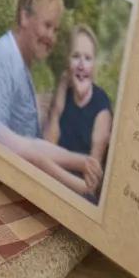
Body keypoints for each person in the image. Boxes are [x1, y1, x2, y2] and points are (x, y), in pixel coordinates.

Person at [0, 0, 103, 197]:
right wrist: (79, 185)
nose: (51, 37)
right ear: (24, 17)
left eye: (55, 29)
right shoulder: (6, 56)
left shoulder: (19, 62)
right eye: (47, 25)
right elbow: (21, 148)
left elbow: (32, 144)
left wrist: (83, 162)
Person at [44, 23, 113, 202]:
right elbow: (46, 147)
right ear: (68, 61)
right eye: (76, 57)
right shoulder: (63, 94)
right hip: (51, 187)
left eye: (88, 58)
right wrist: (57, 105)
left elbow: (90, 184)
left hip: (79, 197)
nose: (82, 65)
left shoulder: (102, 107)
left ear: (94, 64)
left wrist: (49, 170)